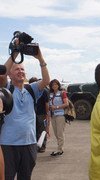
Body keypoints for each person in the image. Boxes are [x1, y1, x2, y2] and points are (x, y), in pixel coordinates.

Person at [0, 48, 50, 180]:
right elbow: (1, 75)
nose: (20, 71)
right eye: (16, 69)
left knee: (25, 177)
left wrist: (40, 59)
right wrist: (15, 52)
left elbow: (46, 81)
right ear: (9, 74)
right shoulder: (6, 89)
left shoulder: (31, 89)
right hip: (8, 144)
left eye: (22, 69)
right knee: (7, 177)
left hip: (29, 143)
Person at [29, 77, 50, 153]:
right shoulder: (28, 91)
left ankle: (42, 146)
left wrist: (47, 114)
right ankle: (35, 146)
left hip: (42, 113)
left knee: (42, 130)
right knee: (34, 130)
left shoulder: (44, 91)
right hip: (33, 113)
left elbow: (46, 103)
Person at [49, 79, 68, 156]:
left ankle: (60, 149)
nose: (54, 86)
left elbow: (66, 104)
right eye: (53, 85)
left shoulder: (62, 93)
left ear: (58, 85)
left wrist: (56, 107)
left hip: (60, 114)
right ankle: (59, 147)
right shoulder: (50, 94)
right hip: (53, 115)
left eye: (56, 84)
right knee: (56, 133)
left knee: (60, 132)